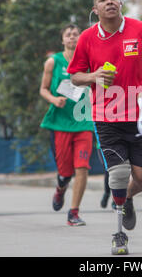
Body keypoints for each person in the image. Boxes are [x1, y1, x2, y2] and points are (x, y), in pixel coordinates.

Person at [67, 0, 142, 255]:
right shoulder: (86, 38)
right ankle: (119, 234)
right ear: (95, 9)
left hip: (138, 116)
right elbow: (75, 75)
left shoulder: (141, 30)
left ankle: (129, 197)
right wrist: (94, 76)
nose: (110, 1)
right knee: (119, 174)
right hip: (105, 117)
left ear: (120, 3)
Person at [40, 24, 94, 226]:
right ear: (62, 40)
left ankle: (74, 212)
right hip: (60, 123)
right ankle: (60, 187)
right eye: (68, 35)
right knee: (65, 172)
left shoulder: (88, 60)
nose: (72, 37)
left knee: (82, 168)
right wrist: (54, 100)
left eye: (75, 34)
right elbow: (43, 89)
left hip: (83, 121)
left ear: (80, 38)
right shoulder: (53, 62)